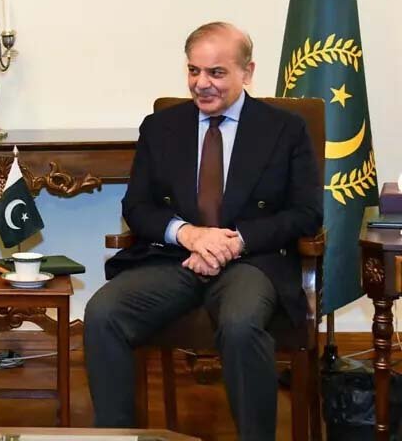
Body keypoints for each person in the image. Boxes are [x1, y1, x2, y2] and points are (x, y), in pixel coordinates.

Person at [84, 22, 322, 440]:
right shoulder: (160, 127)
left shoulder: (285, 129)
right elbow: (136, 207)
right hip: (175, 259)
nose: (201, 83)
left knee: (241, 324)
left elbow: (306, 213)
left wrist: (236, 241)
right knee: (103, 313)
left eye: (216, 72)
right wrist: (189, 234)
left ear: (247, 72)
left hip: (252, 262)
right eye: (194, 71)